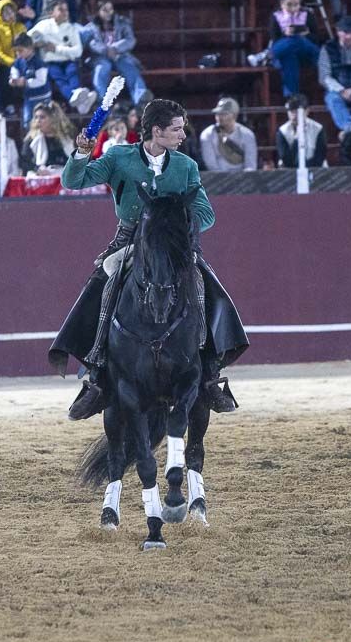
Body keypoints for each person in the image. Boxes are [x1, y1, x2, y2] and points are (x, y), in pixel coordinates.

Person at [50, 97, 248, 420]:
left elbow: (206, 214)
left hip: (173, 246)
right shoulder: (119, 157)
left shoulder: (186, 166)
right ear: (156, 131)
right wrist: (83, 153)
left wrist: (176, 221)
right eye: (176, 129)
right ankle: (97, 371)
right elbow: (73, 181)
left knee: (202, 284)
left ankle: (209, 372)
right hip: (129, 241)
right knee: (105, 280)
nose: (183, 136)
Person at [27, 0, 97, 114]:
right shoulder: (43, 26)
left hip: (68, 60)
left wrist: (57, 49)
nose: (65, 13)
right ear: (51, 13)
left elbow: (78, 51)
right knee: (60, 79)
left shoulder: (71, 28)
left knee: (72, 73)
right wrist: (36, 43)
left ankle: (77, 98)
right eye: (61, 10)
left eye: (66, 10)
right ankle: (81, 101)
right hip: (50, 62)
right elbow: (28, 37)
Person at [86, 0, 151, 106]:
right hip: (101, 56)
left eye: (110, 9)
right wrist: (106, 50)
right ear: (98, 12)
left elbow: (130, 40)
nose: (109, 12)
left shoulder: (122, 22)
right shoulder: (91, 26)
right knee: (101, 69)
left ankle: (140, 97)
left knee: (129, 68)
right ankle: (101, 99)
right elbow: (91, 43)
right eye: (105, 10)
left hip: (119, 55)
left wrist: (115, 48)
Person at [269, 0, 320, 99]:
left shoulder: (308, 14)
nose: (293, 8)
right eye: (289, 5)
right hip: (287, 49)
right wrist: (285, 34)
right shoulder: (276, 16)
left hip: (306, 50)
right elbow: (275, 39)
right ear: (282, 3)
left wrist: (306, 34)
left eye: (296, 5)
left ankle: (266, 55)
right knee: (288, 57)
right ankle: (293, 97)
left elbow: (317, 38)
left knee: (297, 39)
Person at [199, 97, 258, 172]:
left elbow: (251, 166)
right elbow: (212, 166)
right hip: (217, 179)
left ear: (234, 115)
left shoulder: (247, 135)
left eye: (224, 114)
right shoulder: (207, 135)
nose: (219, 117)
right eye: (217, 114)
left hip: (243, 178)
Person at [18, 100, 73, 175]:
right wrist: (37, 169)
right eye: (36, 117)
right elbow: (23, 161)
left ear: (52, 119)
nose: (38, 121)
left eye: (42, 117)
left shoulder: (66, 139)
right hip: (40, 179)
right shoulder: (31, 139)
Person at [8, 33, 50, 128]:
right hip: (29, 97)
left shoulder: (39, 62)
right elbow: (14, 71)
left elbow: (41, 80)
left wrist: (25, 82)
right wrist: (14, 80)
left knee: (43, 122)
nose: (18, 54)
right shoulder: (18, 61)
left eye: (20, 50)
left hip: (42, 97)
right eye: (16, 51)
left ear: (30, 48)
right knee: (28, 122)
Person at [0, 0, 25, 104]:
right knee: (6, 75)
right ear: (0, 15)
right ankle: (8, 104)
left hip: (19, 60)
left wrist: (20, 60)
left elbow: (26, 45)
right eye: (6, 13)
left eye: (11, 11)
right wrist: (10, 61)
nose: (10, 15)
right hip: (1, 63)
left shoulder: (20, 27)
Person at [275, 93, 327, 167]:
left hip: (315, 169)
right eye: (291, 111)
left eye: (297, 111)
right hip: (289, 170)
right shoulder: (282, 131)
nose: (294, 115)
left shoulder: (318, 129)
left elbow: (320, 155)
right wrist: (297, 138)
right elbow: (285, 158)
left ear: (307, 111)